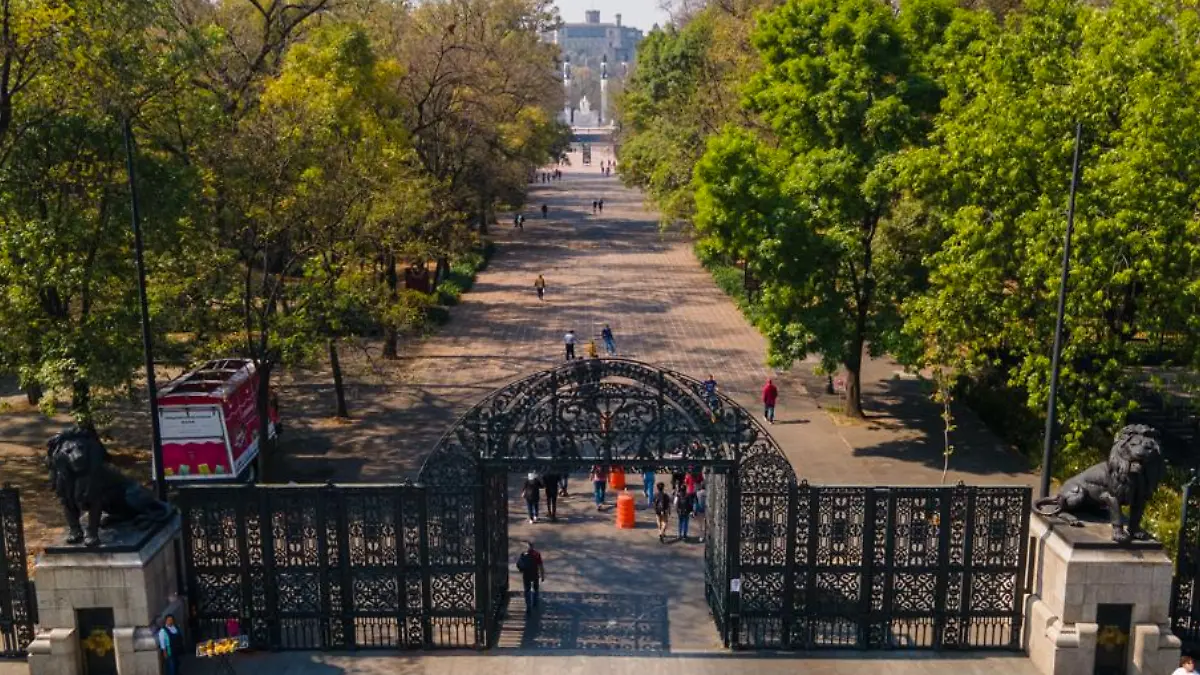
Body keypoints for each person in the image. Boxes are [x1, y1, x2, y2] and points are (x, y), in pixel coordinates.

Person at [516, 542, 545, 614]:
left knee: (527, 590)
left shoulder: (523, 554)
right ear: (532, 547)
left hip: (526, 574)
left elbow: (519, 564)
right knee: (536, 589)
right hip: (534, 574)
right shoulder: (537, 554)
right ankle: (535, 602)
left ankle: (528, 606)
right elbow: (540, 565)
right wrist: (542, 575)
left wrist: (521, 570)